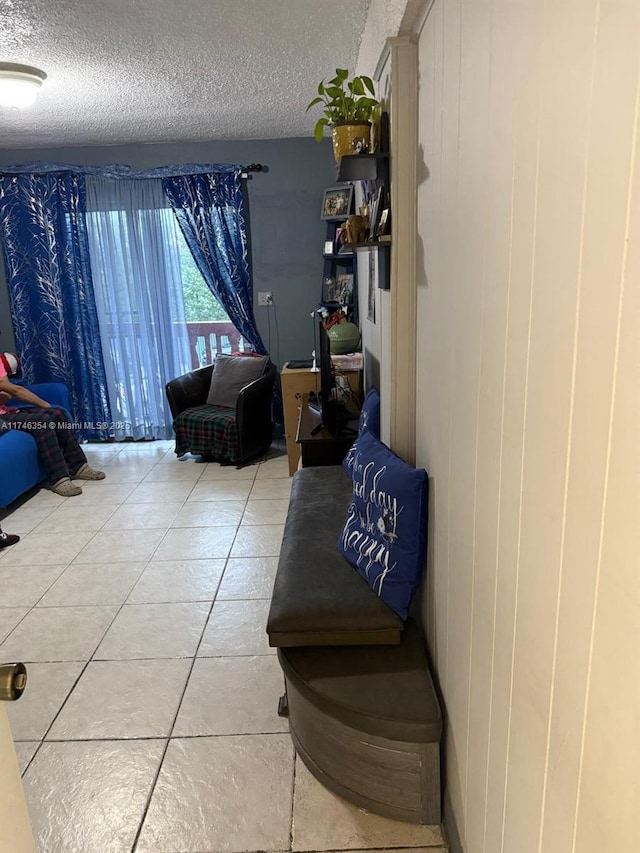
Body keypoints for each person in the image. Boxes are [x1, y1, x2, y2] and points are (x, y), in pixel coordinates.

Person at [0, 362, 106, 497]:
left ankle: (78, 466)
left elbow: (8, 394)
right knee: (42, 422)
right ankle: (58, 479)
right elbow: (14, 391)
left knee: (57, 414)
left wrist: (48, 407)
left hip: (5, 412)